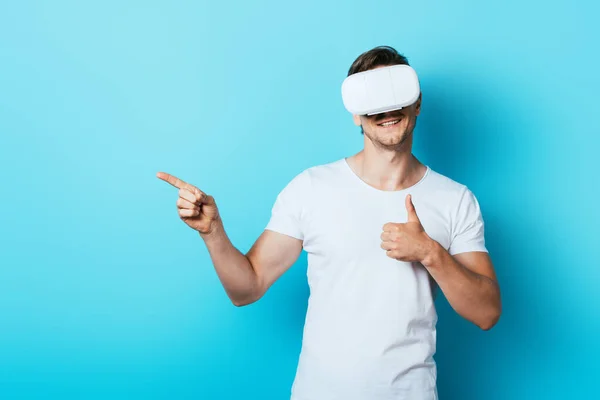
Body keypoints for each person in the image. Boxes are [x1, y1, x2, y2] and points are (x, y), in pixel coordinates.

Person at [157, 45, 502, 400]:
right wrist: (213, 233)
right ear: (355, 113)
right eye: (372, 100)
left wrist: (431, 253)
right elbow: (246, 289)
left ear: (417, 102)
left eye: (396, 96)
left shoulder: (455, 199)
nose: (386, 110)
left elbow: (487, 312)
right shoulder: (311, 188)